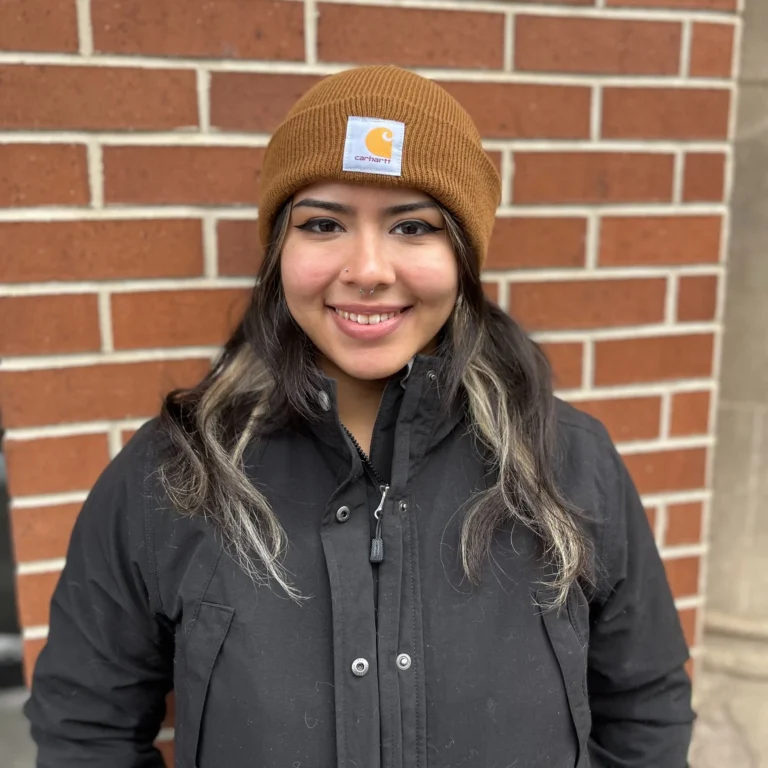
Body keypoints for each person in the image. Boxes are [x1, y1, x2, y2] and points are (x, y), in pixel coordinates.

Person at [24, 65, 694, 768]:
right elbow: (84, 728)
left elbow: (645, 707)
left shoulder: (571, 463)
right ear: (280, 249)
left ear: (463, 256)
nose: (368, 268)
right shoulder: (174, 476)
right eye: (323, 223)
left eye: (413, 225)